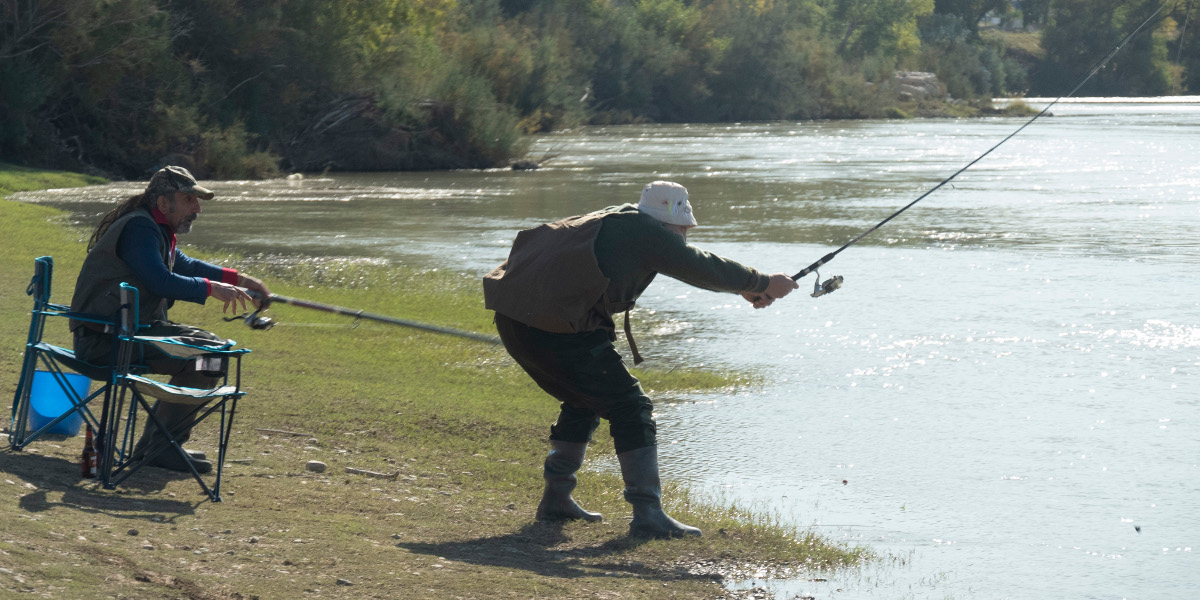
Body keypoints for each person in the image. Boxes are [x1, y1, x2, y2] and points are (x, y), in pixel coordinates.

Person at [483, 181, 798, 538]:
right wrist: (763, 280)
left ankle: (557, 499)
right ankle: (648, 514)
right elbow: (696, 264)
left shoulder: (619, 220)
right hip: (555, 329)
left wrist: (745, 286)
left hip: (519, 320)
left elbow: (687, 263)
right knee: (631, 407)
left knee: (583, 399)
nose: (684, 235)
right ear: (674, 222)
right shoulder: (647, 232)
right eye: (683, 228)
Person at [69, 166, 270, 474]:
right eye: (189, 199)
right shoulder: (140, 229)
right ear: (164, 203)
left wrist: (240, 279)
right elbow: (160, 280)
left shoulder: (154, 228)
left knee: (214, 353)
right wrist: (214, 288)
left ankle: (160, 446)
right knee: (211, 356)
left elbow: (182, 265)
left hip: (127, 335)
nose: (197, 209)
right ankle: (160, 447)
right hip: (106, 342)